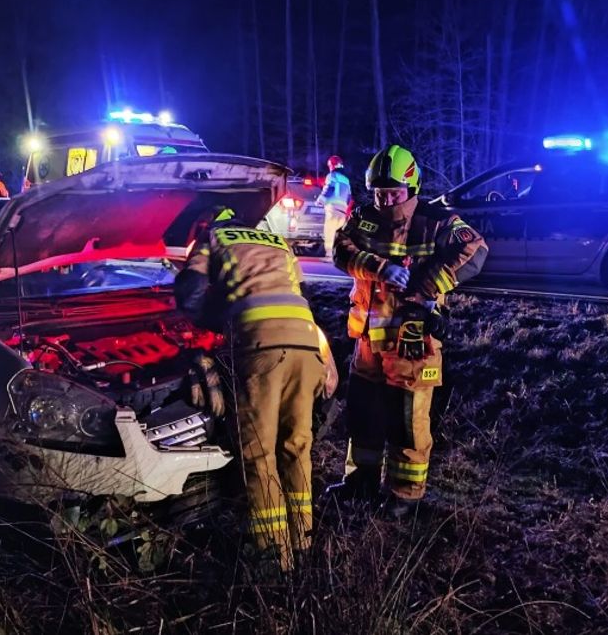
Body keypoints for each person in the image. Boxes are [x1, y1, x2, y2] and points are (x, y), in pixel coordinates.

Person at [325, 144, 487, 517]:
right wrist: (380, 268)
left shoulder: (435, 219)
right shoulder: (364, 217)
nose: (386, 200)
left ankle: (405, 496)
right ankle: (360, 482)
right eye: (380, 193)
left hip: (413, 343)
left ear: (411, 187)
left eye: (394, 192)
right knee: (363, 417)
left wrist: (426, 287)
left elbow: (475, 251)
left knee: (408, 423)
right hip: (367, 342)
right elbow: (341, 250)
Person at [174, 205, 337, 572]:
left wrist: (216, 321)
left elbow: (192, 289)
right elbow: (296, 290)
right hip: (307, 345)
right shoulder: (278, 241)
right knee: (297, 447)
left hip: (260, 349)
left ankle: (272, 558)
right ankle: (303, 543)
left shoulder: (213, 238)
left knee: (259, 454)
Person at [316, 155, 352, 258]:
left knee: (329, 231)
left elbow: (329, 188)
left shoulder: (332, 175)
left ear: (331, 165)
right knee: (338, 233)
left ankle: (329, 255)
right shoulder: (346, 179)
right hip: (343, 209)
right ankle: (337, 256)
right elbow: (349, 197)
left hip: (333, 207)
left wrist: (320, 200)